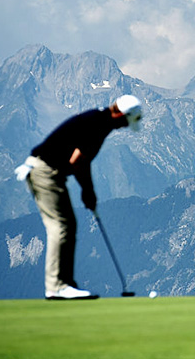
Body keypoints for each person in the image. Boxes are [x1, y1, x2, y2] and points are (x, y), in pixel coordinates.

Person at [15, 95, 143, 300]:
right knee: (61, 226)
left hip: (48, 171)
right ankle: (57, 286)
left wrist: (87, 191)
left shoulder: (99, 120)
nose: (124, 127)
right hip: (45, 171)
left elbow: (79, 160)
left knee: (68, 225)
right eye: (125, 122)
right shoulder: (99, 124)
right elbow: (78, 161)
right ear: (119, 113)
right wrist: (88, 191)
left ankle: (65, 284)